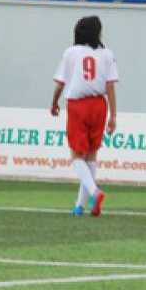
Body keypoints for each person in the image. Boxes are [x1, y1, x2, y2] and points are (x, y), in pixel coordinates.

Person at [50, 16, 118, 218]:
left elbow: (61, 82)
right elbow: (110, 86)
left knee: (76, 155)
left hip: (78, 105)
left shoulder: (71, 52)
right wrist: (113, 116)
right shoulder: (107, 53)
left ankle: (95, 192)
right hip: (99, 105)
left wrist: (54, 102)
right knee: (91, 156)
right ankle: (80, 206)